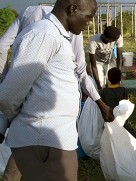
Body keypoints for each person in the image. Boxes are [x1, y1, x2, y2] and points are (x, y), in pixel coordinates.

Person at [0, 4, 115, 181]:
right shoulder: (44, 35)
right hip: (44, 137)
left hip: (54, 136)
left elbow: (79, 73)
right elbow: (9, 94)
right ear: (72, 9)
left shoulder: (60, 36)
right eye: (87, 17)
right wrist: (25, 118)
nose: (88, 24)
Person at [100, 67, 135, 136]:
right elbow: (125, 105)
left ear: (108, 79)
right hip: (122, 120)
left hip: (109, 119)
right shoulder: (124, 90)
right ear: (120, 79)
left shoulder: (104, 91)